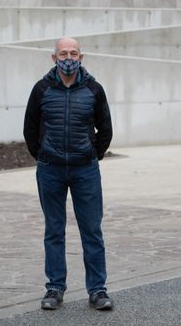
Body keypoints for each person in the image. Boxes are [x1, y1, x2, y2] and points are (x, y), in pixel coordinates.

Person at [23, 37, 114, 311]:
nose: (68, 57)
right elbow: (30, 129)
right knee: (54, 230)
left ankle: (97, 290)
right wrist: (43, 154)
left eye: (73, 53)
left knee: (92, 230)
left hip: (85, 169)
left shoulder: (94, 89)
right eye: (63, 53)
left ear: (81, 57)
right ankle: (54, 288)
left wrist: (91, 153)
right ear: (54, 58)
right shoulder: (41, 89)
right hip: (50, 169)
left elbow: (105, 128)